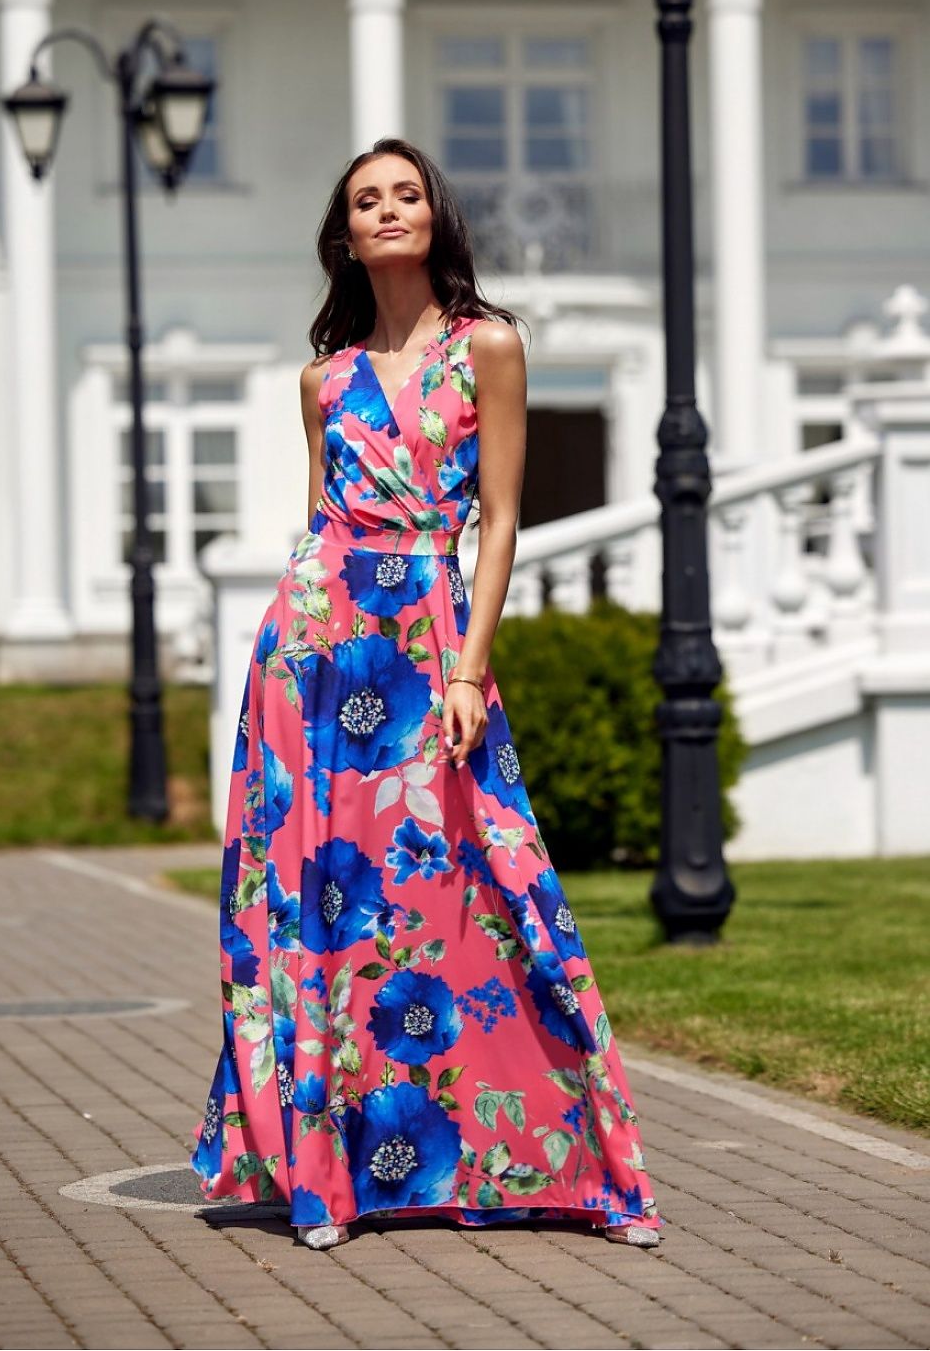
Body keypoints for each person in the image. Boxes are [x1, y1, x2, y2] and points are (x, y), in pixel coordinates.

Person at [190, 137, 664, 1252]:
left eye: (405, 194)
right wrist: (291, 655)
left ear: (434, 217)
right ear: (344, 234)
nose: (388, 210)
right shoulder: (324, 380)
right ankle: (329, 1176)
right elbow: (317, 530)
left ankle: (586, 1163)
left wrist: (465, 667)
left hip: (427, 637)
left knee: (490, 876)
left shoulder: (487, 348)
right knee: (324, 909)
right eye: (366, 199)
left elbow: (499, 521)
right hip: (312, 652)